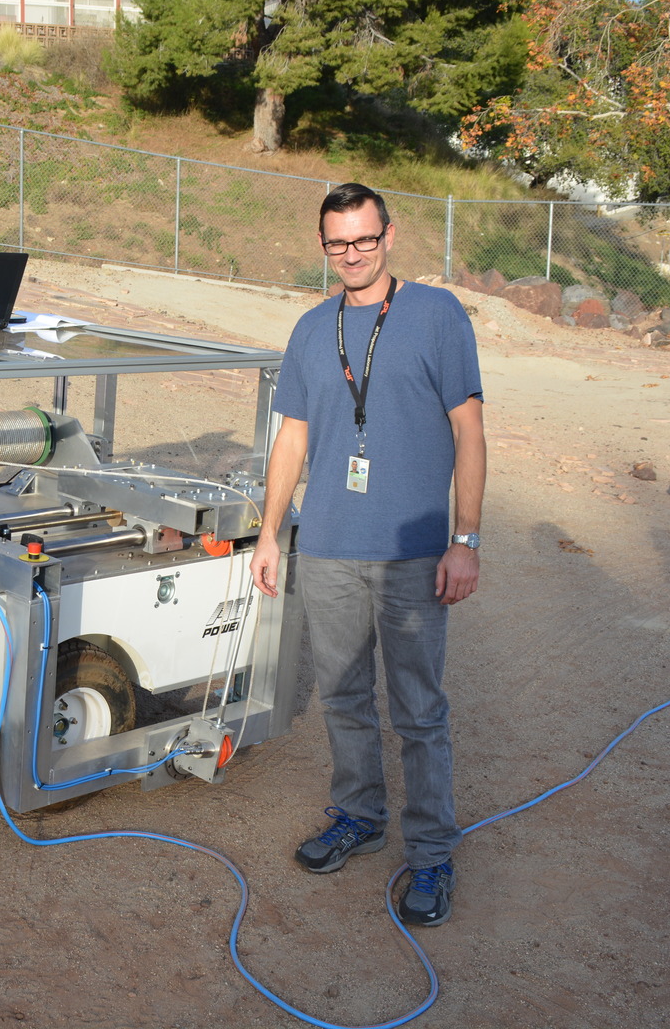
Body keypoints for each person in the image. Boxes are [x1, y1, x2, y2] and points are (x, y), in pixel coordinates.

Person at [249, 183, 485, 928]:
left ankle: (431, 855)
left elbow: (469, 431)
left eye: (364, 239)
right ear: (323, 246)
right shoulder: (312, 329)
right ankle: (358, 815)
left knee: (418, 709)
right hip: (327, 547)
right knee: (345, 696)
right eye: (337, 244)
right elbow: (292, 438)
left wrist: (465, 539)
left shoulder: (438, 315)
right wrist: (268, 532)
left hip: (413, 551)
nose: (352, 255)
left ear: (390, 235)